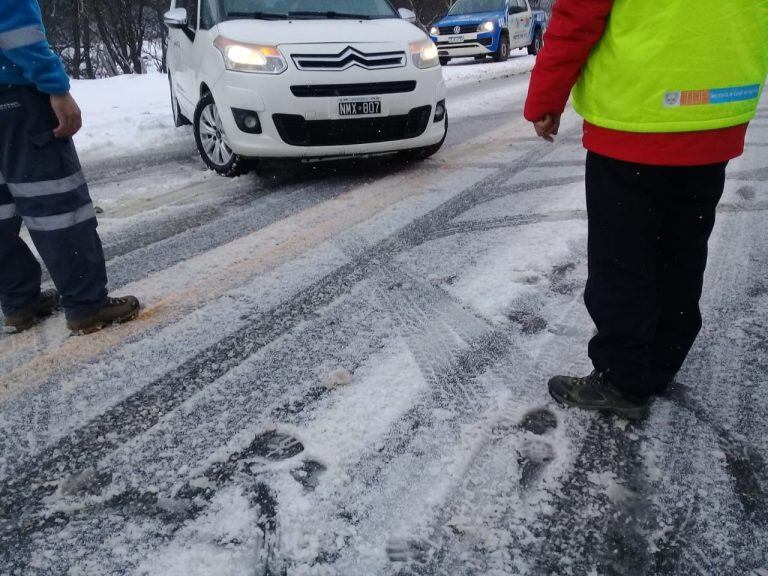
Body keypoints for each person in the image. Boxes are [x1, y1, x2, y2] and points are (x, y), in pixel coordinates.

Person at [524, 0, 768, 420]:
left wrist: (546, 96)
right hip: (718, 111)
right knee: (682, 251)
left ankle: (623, 379)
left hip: (637, 114)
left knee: (622, 261)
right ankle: (660, 362)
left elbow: (578, 16)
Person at [0, 0, 140, 334]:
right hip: (15, 99)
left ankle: (20, 302)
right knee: (57, 206)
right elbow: (17, 30)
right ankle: (86, 304)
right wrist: (55, 87)